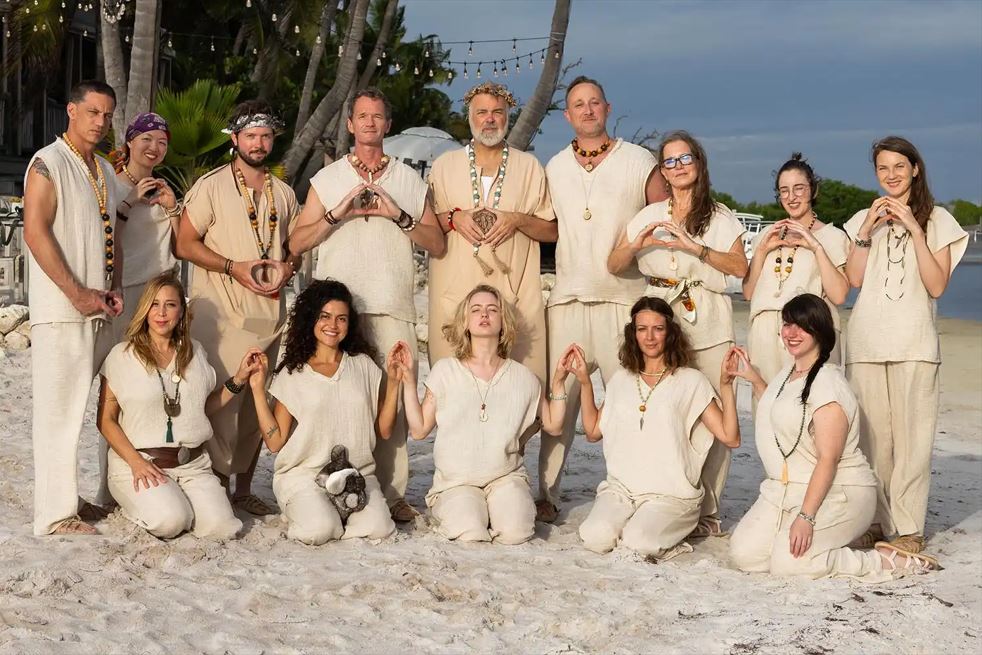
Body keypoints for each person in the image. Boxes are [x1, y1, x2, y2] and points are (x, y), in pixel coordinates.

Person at [288, 87, 445, 524]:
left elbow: (437, 243)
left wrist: (399, 215)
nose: (370, 123)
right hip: (340, 311)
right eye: (362, 116)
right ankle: (333, 480)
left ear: (388, 125)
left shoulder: (410, 180)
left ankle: (392, 492)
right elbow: (297, 242)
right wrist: (338, 214)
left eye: (378, 116)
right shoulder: (329, 179)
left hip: (393, 302)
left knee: (393, 399)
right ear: (351, 124)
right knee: (343, 398)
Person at [728, 294, 940, 578]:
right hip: (789, 489)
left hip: (842, 491)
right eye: (787, 324)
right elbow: (785, 409)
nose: (791, 333)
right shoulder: (788, 373)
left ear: (819, 331)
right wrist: (753, 378)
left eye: (801, 326)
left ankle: (886, 560)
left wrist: (806, 517)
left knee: (789, 563)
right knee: (745, 555)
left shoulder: (828, 384)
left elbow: (828, 459)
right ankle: (826, 544)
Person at [538, 75, 669, 524]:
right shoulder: (554, 166)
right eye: (579, 104)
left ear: (608, 108)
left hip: (624, 300)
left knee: (628, 402)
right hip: (569, 297)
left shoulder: (639, 160)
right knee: (561, 398)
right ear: (567, 115)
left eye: (595, 103)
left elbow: (665, 217)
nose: (588, 110)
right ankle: (546, 493)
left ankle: (630, 490)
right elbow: (549, 227)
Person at [609, 130, 748, 536]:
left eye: (684, 159)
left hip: (708, 317)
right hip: (661, 317)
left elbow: (740, 268)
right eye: (669, 161)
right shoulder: (649, 214)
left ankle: (708, 510)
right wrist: (636, 243)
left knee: (715, 415)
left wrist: (695, 249)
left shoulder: (719, 216)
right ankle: (665, 497)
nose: (678, 167)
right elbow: (614, 264)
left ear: (699, 163)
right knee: (666, 413)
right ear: (662, 171)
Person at [175, 100, 301, 516]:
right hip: (220, 316)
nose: (259, 143)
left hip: (270, 316)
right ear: (235, 139)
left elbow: (295, 249)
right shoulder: (211, 186)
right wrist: (234, 267)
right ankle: (212, 487)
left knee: (254, 402)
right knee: (219, 399)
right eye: (251, 135)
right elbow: (184, 244)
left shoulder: (283, 193)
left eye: (266, 136)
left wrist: (289, 266)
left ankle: (243, 489)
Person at [843, 136, 968, 555]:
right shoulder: (864, 218)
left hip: (914, 342)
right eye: (882, 168)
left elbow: (936, 285)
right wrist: (865, 229)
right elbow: (853, 281)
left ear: (915, 168)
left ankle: (909, 527)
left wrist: (915, 227)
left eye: (899, 166)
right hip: (865, 341)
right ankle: (877, 522)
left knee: (914, 440)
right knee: (873, 439)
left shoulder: (940, 221)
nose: (891, 175)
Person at [23, 80, 124, 535]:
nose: (100, 122)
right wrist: (77, 293)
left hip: (100, 308)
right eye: (93, 112)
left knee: (93, 405)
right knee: (58, 411)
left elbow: (113, 234)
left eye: (107, 114)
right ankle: (55, 514)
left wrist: (113, 286)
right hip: (62, 309)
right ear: (71, 110)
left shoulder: (102, 168)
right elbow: (35, 231)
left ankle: (79, 497)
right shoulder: (48, 161)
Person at [397, 285, 571, 545]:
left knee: (517, 533)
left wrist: (558, 383)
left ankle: (496, 509)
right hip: (456, 482)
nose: (484, 315)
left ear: (503, 322)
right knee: (470, 532)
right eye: (476, 310)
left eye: (493, 309)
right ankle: (470, 510)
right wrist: (409, 381)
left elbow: (554, 426)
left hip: (505, 477)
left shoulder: (524, 378)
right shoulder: (445, 371)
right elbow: (420, 430)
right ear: (465, 322)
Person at [573, 297, 740, 559]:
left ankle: (677, 525)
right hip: (622, 491)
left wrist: (726, 387)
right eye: (642, 329)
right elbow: (593, 431)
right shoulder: (621, 379)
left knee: (638, 543)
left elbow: (730, 437)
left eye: (658, 329)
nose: (650, 337)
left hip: (670, 495)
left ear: (670, 333)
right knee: (595, 537)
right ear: (633, 334)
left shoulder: (691, 381)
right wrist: (585, 383)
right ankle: (635, 521)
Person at [97, 273, 250, 540]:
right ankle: (143, 502)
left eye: (170, 304)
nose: (161, 312)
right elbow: (106, 420)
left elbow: (203, 407)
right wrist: (135, 463)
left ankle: (178, 499)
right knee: (171, 521)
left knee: (223, 529)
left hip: (193, 466)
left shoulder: (196, 352)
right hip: (141, 464)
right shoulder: (122, 355)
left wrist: (238, 379)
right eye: (154, 304)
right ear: (144, 309)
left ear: (182, 311)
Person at [248, 280, 400, 545]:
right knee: (318, 531)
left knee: (379, 529)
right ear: (311, 319)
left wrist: (396, 382)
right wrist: (258, 391)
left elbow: (384, 430)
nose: (333, 325)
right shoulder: (293, 373)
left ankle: (333, 515)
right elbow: (274, 441)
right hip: (304, 477)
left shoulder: (363, 366)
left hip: (356, 476)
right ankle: (314, 513)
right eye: (325, 316)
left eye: (341, 318)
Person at [426, 82, 555, 387]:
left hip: (514, 296)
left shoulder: (529, 167)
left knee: (519, 390)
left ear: (508, 116)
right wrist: (454, 218)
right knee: (455, 390)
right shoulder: (444, 166)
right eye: (482, 112)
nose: (490, 119)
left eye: (498, 112)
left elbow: (551, 230)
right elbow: (425, 228)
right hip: (455, 294)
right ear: (469, 116)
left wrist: (517, 219)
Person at [743, 153, 849, 387]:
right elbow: (749, 293)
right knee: (765, 407)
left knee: (809, 404)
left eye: (799, 188)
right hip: (764, 335)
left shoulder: (832, 236)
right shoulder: (767, 235)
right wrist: (761, 251)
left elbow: (840, 295)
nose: (791, 197)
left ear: (813, 190)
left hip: (808, 331)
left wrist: (815, 246)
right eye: (784, 190)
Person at [111, 112, 182, 342]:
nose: (155, 147)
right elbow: (106, 238)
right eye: (147, 139)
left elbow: (179, 248)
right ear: (130, 141)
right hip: (126, 289)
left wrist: (173, 209)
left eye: (162, 142)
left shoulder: (165, 189)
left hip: (162, 292)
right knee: (119, 362)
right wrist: (129, 201)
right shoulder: (111, 186)